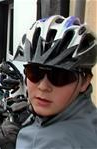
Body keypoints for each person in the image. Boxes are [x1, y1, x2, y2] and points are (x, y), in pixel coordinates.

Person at [11, 15, 97, 148]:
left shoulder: (48, 143)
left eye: (60, 76)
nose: (43, 87)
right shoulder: (90, 119)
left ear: (85, 81)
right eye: (34, 72)